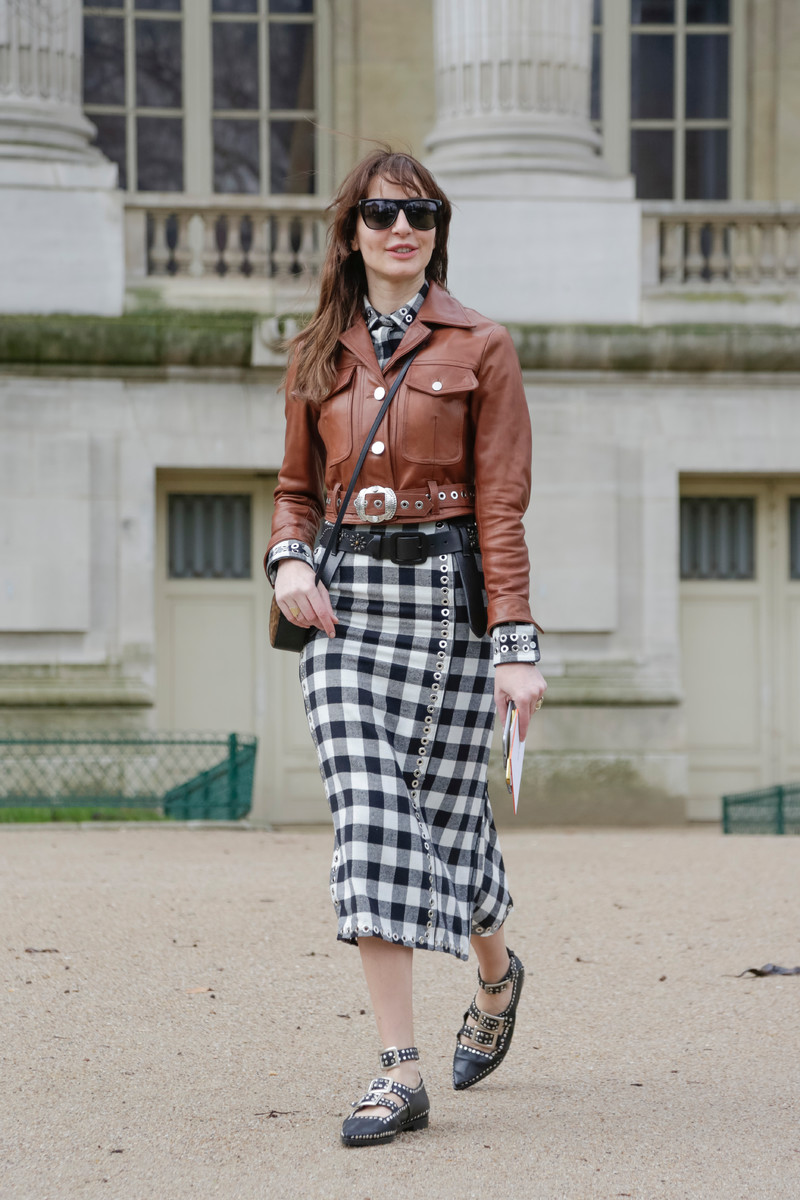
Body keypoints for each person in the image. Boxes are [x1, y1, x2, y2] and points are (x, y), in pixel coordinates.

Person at [265, 149, 546, 1147]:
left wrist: (514, 644)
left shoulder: (483, 345)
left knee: (447, 819)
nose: (402, 228)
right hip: (343, 616)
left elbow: (501, 506)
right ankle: (399, 1071)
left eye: (421, 214)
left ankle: (496, 975)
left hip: (445, 610)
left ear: (436, 231)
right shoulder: (316, 351)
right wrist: (287, 563)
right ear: (351, 231)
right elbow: (294, 490)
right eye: (383, 212)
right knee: (371, 814)